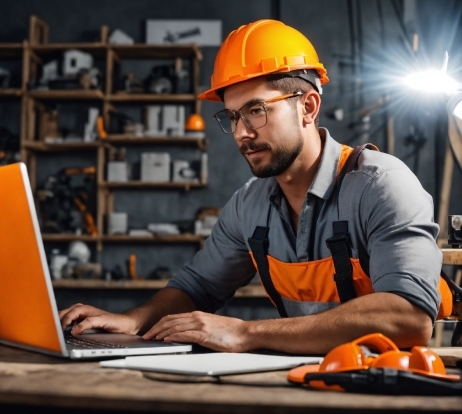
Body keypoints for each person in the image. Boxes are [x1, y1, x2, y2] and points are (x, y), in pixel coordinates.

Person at [60, 19, 447, 354]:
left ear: (308, 107)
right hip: (298, 381)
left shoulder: (381, 186)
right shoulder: (250, 205)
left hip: (384, 386)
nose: (242, 133)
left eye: (257, 110)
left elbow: (409, 316)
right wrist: (133, 321)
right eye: (232, 116)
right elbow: (198, 286)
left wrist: (247, 332)